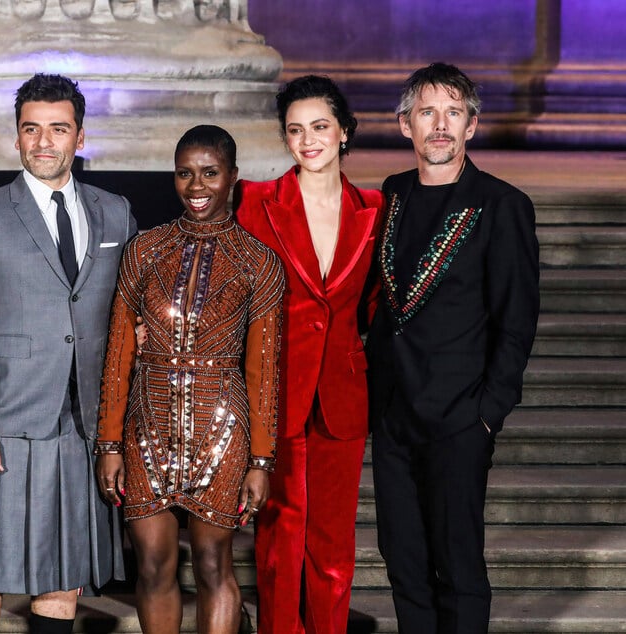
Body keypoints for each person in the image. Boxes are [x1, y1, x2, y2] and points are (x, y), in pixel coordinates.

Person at [0, 73, 135, 634]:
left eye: (58, 129)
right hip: (2, 425)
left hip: (83, 428)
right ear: (17, 138)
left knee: (62, 572)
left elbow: (127, 320)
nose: (44, 142)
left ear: (80, 135)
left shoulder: (115, 213)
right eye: (31, 130)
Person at [366, 62, 540, 633]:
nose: (440, 125)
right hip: (394, 417)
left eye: (453, 113)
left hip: (460, 418)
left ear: (471, 127)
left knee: (458, 565)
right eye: (427, 113)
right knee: (405, 562)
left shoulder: (502, 205)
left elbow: (517, 321)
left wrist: (488, 413)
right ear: (404, 125)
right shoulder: (392, 194)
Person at [96, 124, 286, 634]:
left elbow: (265, 371)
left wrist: (261, 460)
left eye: (209, 173)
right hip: (146, 425)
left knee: (210, 562)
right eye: (185, 173)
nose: (196, 186)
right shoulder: (143, 250)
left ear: (233, 178)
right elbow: (119, 352)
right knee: (154, 563)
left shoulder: (260, 264)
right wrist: (108, 442)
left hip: (223, 430)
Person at [234, 75, 386, 634]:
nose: (308, 140)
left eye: (320, 127)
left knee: (333, 544)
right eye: (295, 130)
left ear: (344, 132)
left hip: (343, 394)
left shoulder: (374, 209)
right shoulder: (256, 202)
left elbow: (374, 302)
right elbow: (238, 297)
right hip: (276, 394)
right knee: (279, 540)